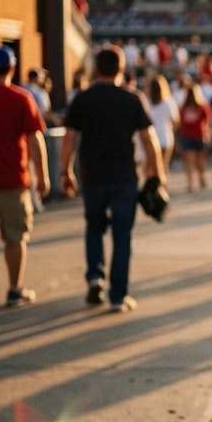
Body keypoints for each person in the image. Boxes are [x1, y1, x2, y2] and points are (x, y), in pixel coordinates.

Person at [59, 45, 165, 313]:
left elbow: (69, 138)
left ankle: (95, 276)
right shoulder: (132, 99)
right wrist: (157, 173)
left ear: (97, 68)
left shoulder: (83, 99)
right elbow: (148, 139)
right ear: (121, 68)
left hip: (93, 176)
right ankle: (118, 296)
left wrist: (65, 171)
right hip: (124, 177)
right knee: (122, 236)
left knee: (94, 228)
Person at [0, 46, 49, 306]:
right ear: (12, 69)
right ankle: (15, 289)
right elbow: (35, 140)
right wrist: (43, 176)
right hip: (12, 180)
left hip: (9, 179)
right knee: (15, 237)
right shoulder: (21, 98)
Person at [178, 82, 212, 192]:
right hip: (195, 136)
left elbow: (208, 121)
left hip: (194, 136)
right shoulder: (186, 107)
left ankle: (193, 182)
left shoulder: (201, 107)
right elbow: (209, 122)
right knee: (197, 160)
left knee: (193, 161)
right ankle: (197, 180)